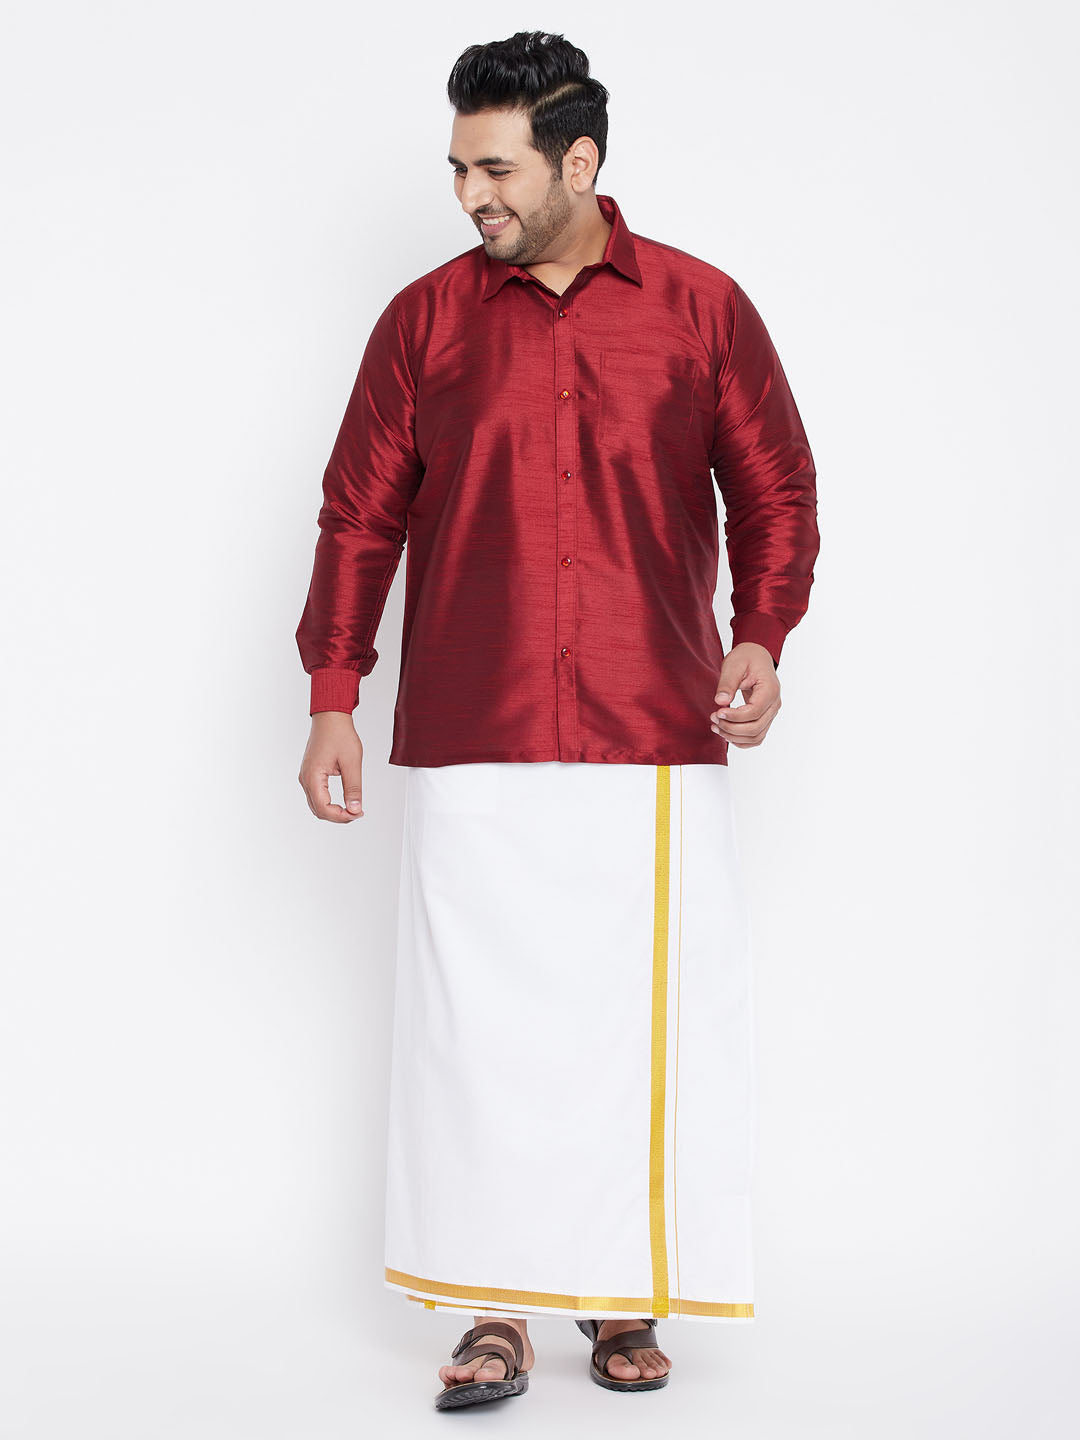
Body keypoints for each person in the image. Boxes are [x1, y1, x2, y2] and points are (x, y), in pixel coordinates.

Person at [295, 29, 820, 1412]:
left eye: (497, 168)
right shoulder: (423, 323)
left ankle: (620, 1292)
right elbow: (358, 517)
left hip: (654, 722)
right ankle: (494, 1312)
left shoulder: (701, 309)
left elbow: (775, 488)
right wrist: (335, 694)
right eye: (459, 168)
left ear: (578, 161)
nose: (472, 194)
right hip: (472, 722)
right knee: (477, 1033)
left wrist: (762, 630)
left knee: (637, 1028)